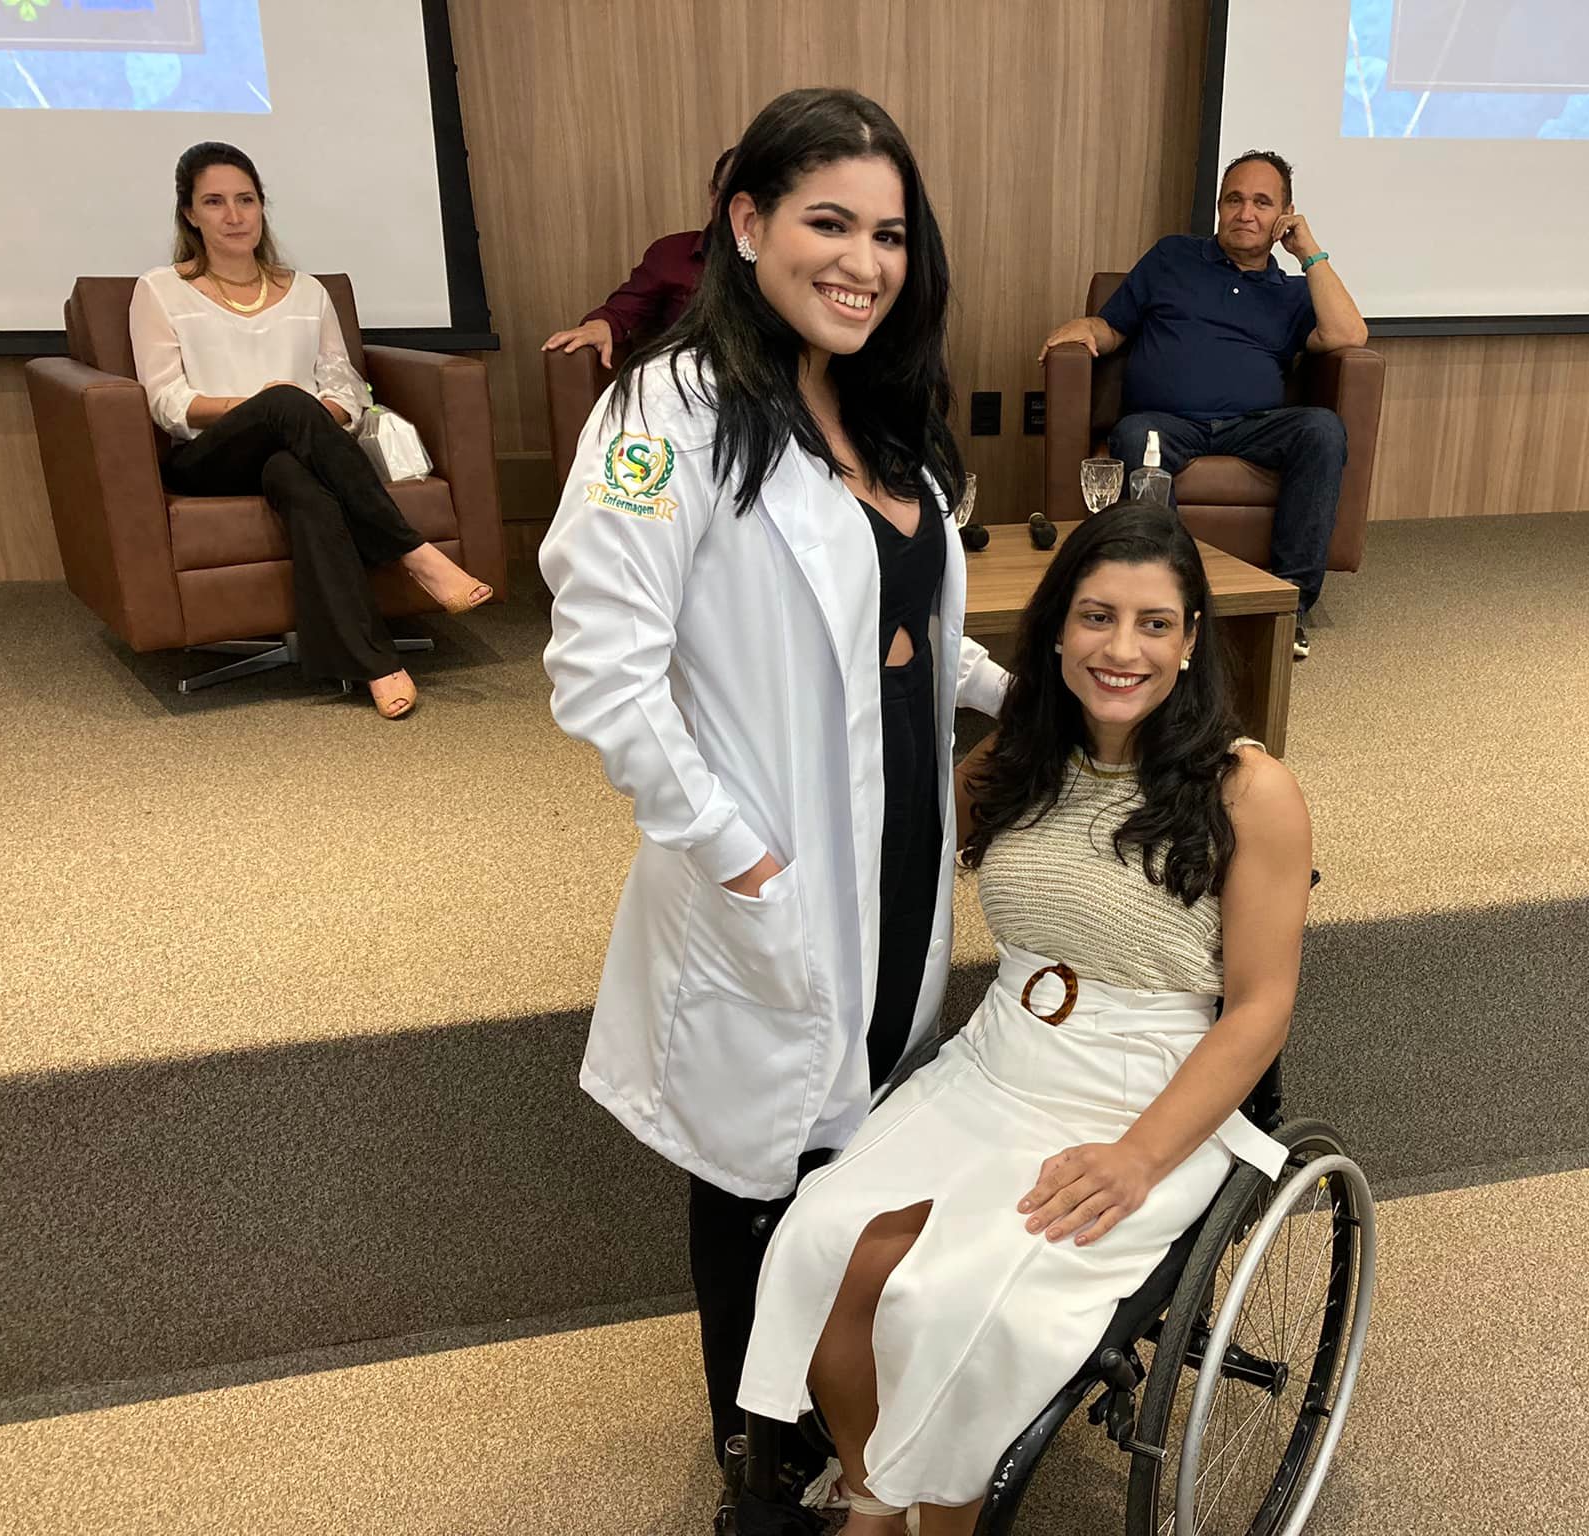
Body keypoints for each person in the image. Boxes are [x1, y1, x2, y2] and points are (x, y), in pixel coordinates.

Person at [537, 88, 1008, 1476]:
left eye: (889, 235)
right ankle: (754, 1461)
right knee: (759, 1178)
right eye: (828, 224)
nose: (864, 263)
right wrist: (737, 855)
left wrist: (1026, 696)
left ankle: (842, 1430)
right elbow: (600, 670)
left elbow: (910, 626)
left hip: (901, 836)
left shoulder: (880, 406)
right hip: (771, 858)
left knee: (861, 1147)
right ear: (745, 224)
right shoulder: (664, 411)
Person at [737, 503, 1317, 1535]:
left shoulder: (1248, 789)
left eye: (1153, 623)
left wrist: (1138, 1157)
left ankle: (940, 1522)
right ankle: (875, 1499)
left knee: (950, 1303)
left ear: (1190, 641)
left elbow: (1261, 1007)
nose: (1121, 649)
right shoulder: (1018, 755)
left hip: (1144, 1086)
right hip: (999, 1057)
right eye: (1097, 617)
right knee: (826, 1244)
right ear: (1055, 630)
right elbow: (891, 839)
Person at [130, 141, 492, 718]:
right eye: (215, 202)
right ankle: (412, 551)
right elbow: (166, 400)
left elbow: (345, 387)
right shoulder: (160, 289)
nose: (233, 215)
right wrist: (264, 407)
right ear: (190, 214)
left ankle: (374, 664)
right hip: (208, 458)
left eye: (246, 200)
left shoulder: (306, 291)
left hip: (296, 450)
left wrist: (308, 415)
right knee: (283, 401)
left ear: (262, 206)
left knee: (299, 482)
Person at [1038, 149, 1369, 660]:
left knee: (1322, 429)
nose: (1245, 213)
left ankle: (1289, 604)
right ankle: (1172, 598)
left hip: (1254, 425)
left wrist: (1309, 252)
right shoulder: (1172, 257)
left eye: (1262, 203)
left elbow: (1349, 334)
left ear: (1284, 215)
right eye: (1234, 199)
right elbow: (1113, 327)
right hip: (1166, 424)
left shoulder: (1293, 292)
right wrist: (1087, 329)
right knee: (1133, 435)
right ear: (1219, 206)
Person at [541, 147, 736, 370]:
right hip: (689, 378)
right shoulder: (671, 254)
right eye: (732, 194)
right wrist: (602, 324)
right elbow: (621, 311)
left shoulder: (769, 263)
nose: (743, 209)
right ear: (713, 194)